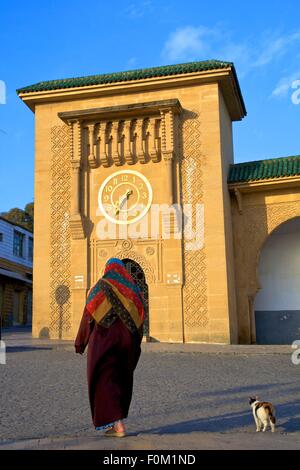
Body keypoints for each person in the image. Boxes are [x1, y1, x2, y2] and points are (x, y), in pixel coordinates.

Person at [75, 257, 145, 437]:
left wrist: (80, 342)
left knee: (104, 378)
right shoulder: (133, 290)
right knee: (121, 378)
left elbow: (88, 315)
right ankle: (117, 422)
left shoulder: (100, 286)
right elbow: (141, 319)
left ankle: (118, 425)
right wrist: (136, 345)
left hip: (104, 340)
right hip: (127, 342)